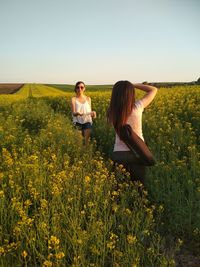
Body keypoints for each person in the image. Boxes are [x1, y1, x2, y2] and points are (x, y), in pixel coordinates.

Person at [107, 81, 157, 184]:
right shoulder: (137, 107)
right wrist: (133, 85)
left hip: (119, 154)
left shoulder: (111, 111)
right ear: (131, 93)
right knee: (138, 187)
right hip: (138, 153)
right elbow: (153, 90)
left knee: (120, 187)